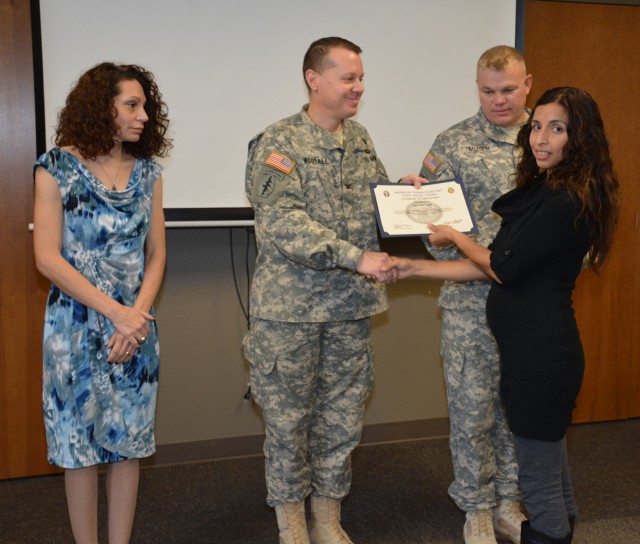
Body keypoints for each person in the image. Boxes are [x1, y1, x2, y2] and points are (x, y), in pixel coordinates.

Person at [386, 87, 619, 544]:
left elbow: (501, 265)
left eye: (557, 128)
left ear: (581, 136)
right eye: (537, 127)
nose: (541, 139)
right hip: (533, 353)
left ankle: (549, 535)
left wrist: (454, 234)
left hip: (542, 357)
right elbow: (493, 262)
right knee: (551, 468)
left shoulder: (566, 201)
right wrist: (414, 266)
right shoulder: (547, 190)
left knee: (538, 479)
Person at [243, 37, 395, 544]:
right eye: (348, 78)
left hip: (350, 310)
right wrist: (356, 257)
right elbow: (283, 223)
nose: (359, 87)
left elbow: (376, 204)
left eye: (360, 78)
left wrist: (407, 196)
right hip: (292, 314)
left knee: (342, 420)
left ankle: (327, 518)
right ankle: (292, 526)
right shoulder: (278, 143)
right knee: (288, 424)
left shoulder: (361, 139)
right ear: (314, 79)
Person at [33, 62, 171, 544]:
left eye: (145, 105)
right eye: (132, 105)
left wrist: (135, 318)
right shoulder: (56, 167)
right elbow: (47, 258)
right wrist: (117, 313)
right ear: (100, 107)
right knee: (79, 450)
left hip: (136, 328)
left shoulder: (149, 172)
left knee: (128, 447)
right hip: (75, 327)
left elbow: (157, 255)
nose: (144, 115)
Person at [400, 45, 532, 544]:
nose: (498, 100)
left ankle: (508, 503)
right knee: (472, 409)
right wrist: (415, 201)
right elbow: (425, 219)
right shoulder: (452, 142)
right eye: (487, 91)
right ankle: (475, 506)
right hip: (469, 303)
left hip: (528, 300)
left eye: (507, 90)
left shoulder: (547, 139)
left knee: (518, 407)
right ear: (476, 87)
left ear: (527, 84)